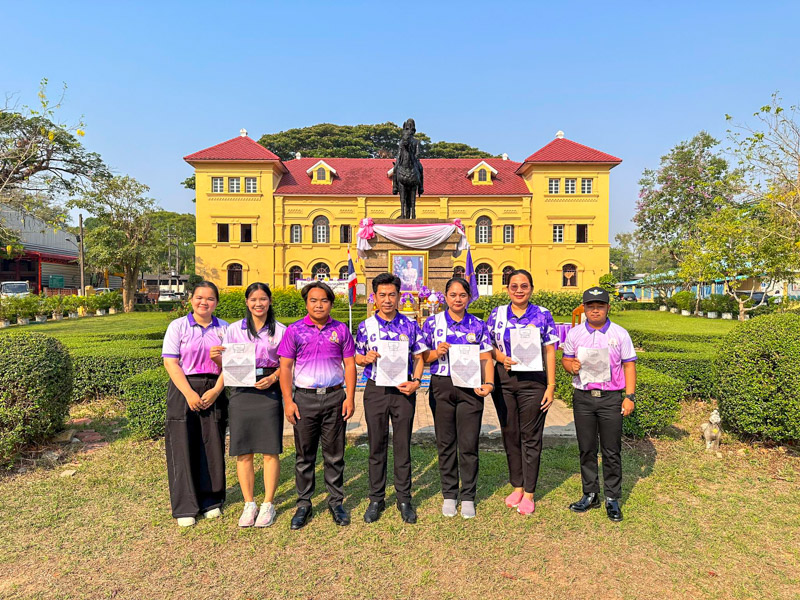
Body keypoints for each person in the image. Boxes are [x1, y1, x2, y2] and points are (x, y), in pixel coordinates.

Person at [278, 281, 357, 530]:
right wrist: (288, 401)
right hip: (304, 399)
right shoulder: (294, 331)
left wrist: (350, 397)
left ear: (331, 303)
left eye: (324, 300)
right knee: (305, 455)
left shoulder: (341, 329)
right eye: (313, 300)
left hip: (334, 398)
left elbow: (350, 364)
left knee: (335, 454)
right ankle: (304, 504)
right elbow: (285, 367)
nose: (319, 305)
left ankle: (336, 502)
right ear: (306, 303)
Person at [210, 283, 286, 528]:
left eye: (263, 299)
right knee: (243, 450)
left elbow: (286, 364)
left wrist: (273, 378)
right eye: (253, 299)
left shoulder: (281, 331)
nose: (258, 304)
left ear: (270, 301)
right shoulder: (234, 330)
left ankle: (268, 504)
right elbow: (228, 363)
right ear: (246, 302)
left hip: (269, 390)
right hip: (241, 391)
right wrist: (216, 358)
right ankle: (249, 503)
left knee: (270, 450)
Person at [561, 286, 637, 522]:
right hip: (583, 398)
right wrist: (570, 366)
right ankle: (590, 493)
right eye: (591, 306)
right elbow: (566, 359)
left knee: (611, 450)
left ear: (608, 308)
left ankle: (612, 497)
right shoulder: (575, 334)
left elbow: (629, 365)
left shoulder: (620, 334)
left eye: (600, 306)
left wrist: (629, 396)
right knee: (586, 448)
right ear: (584, 308)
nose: (595, 310)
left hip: (610, 398)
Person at [355, 273, 427, 524]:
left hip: (403, 391)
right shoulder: (366, 326)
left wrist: (416, 381)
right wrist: (365, 359)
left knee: (402, 444)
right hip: (376, 390)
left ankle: (404, 498)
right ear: (374, 297)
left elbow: (419, 357)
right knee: (376, 444)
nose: (387, 300)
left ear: (399, 296)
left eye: (392, 295)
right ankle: (376, 498)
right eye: (382, 295)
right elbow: (357, 356)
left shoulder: (410, 325)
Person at [487, 269, 558, 515]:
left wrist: (551, 386)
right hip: (504, 380)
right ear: (507, 289)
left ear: (531, 288)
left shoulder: (542, 314)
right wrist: (501, 358)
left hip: (534, 382)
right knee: (510, 432)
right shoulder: (497, 314)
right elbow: (488, 346)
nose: (519, 290)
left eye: (524, 286)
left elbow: (550, 350)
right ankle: (517, 486)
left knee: (531, 435)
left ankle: (529, 492)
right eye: (514, 286)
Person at [422, 277, 494, 519]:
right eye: (453, 295)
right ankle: (449, 494)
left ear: (469, 297)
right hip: (442, 386)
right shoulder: (432, 323)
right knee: (445, 443)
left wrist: (489, 383)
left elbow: (486, 357)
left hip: (470, 388)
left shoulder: (478, 324)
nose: (457, 299)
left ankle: (469, 496)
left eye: (462, 295)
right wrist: (436, 352)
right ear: (445, 297)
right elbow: (421, 357)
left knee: (468, 443)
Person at [161, 281, 229, 527]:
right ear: (191, 300)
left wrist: (216, 390)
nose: (204, 302)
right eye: (199, 297)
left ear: (216, 303)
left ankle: (211, 500)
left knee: (212, 444)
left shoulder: (225, 328)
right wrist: (189, 393)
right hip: (183, 389)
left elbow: (232, 364)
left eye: (210, 298)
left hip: (214, 389)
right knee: (182, 445)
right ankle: (185, 506)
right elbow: (171, 363)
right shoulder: (178, 326)